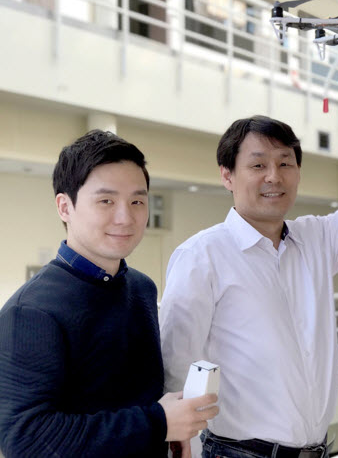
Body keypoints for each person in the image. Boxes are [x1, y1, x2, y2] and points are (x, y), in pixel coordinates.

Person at [159, 47, 338, 458]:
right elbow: (176, 370)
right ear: (227, 175)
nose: (274, 177)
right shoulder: (203, 255)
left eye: (285, 163)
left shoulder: (316, 239)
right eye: (258, 165)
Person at [0, 130, 219, 457]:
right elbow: (24, 438)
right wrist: (157, 423)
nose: (126, 217)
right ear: (65, 207)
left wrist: (168, 432)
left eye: (137, 201)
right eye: (106, 201)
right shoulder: (31, 310)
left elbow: (135, 398)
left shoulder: (141, 288)